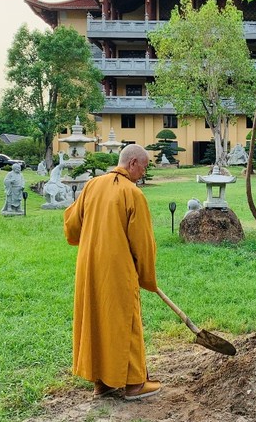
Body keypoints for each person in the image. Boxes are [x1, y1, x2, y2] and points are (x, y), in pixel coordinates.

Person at [63, 144, 160, 400]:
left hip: (89, 266)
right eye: (144, 167)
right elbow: (143, 244)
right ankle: (134, 384)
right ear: (133, 164)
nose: (144, 172)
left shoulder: (92, 186)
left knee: (97, 318)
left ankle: (102, 383)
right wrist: (147, 276)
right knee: (125, 322)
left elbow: (72, 226)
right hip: (117, 269)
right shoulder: (133, 194)